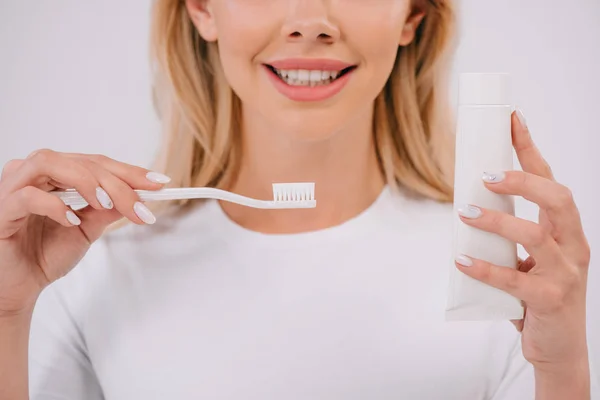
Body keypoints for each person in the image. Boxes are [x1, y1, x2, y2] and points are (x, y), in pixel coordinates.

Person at [0, 0, 596, 399]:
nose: (310, 20)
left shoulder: (505, 274)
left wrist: (563, 367)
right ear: (203, 9)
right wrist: (5, 316)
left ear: (411, 14)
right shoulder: (82, 269)